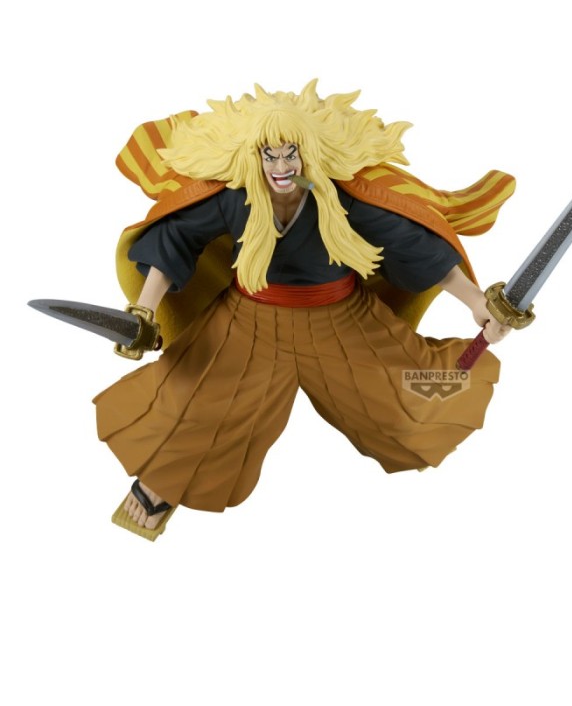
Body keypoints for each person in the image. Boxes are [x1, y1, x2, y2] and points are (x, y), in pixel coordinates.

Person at [94, 80, 515, 537]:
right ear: (253, 157)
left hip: (342, 321)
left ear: (306, 154)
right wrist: (143, 311)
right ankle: (163, 479)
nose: (280, 166)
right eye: (269, 155)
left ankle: (429, 413)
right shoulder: (234, 195)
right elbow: (174, 239)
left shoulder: (339, 197)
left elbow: (415, 246)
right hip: (247, 321)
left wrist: (477, 302)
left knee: (402, 398)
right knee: (198, 401)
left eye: (290, 154)